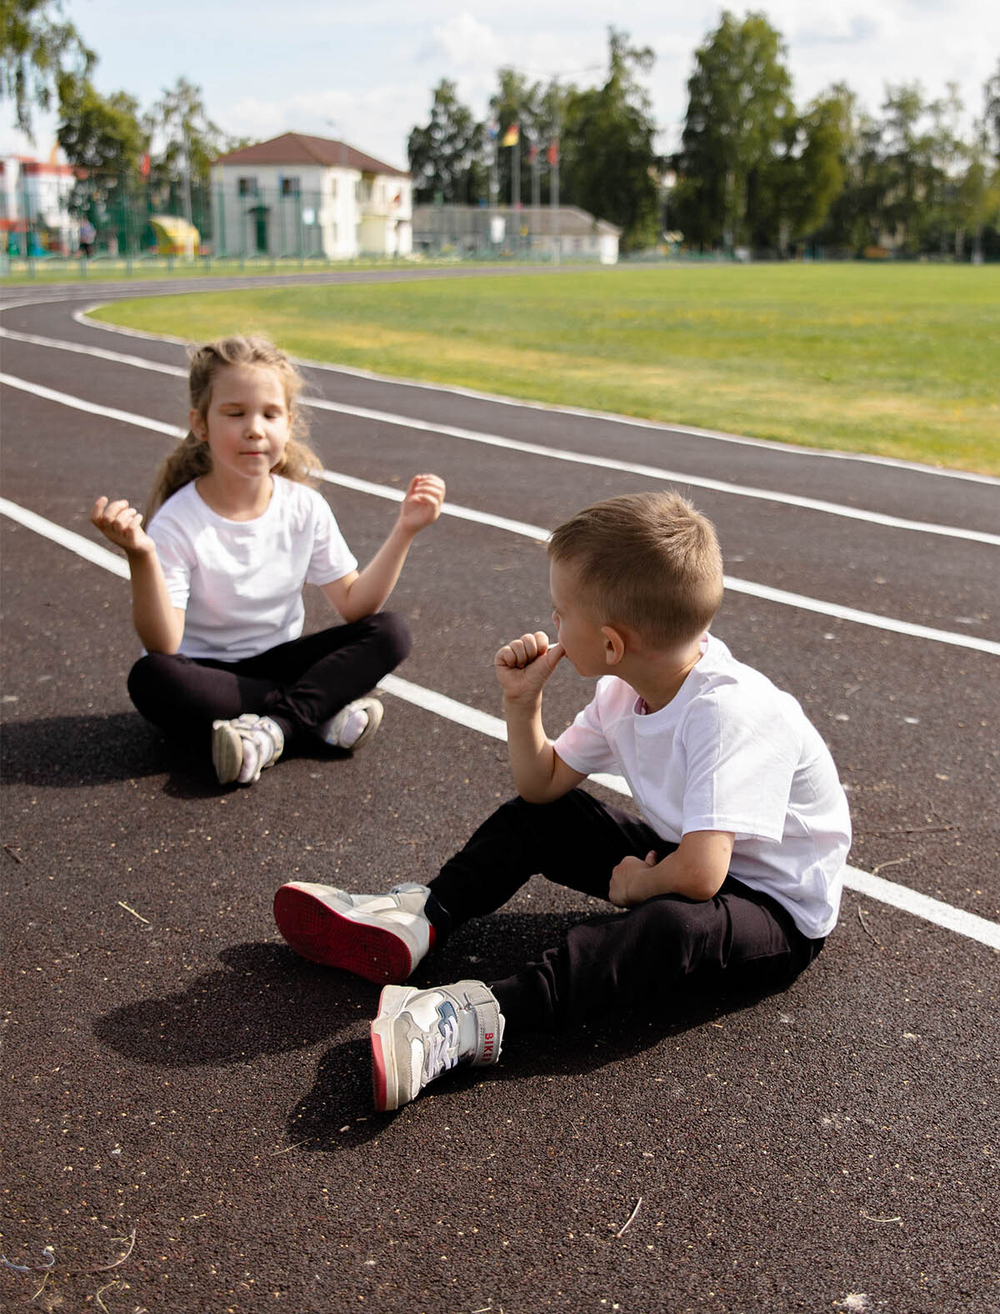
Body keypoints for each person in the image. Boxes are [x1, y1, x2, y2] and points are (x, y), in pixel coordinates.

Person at [273, 492, 851, 1111]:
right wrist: (522, 704)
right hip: (690, 860)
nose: (551, 623)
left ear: (609, 644)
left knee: (667, 926)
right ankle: (423, 916)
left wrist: (635, 887)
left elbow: (703, 876)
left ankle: (474, 1016)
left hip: (775, 909)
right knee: (544, 821)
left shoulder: (727, 712)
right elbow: (541, 786)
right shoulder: (620, 690)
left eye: (560, 611)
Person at [91, 333, 445, 785]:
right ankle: (315, 712)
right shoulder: (179, 521)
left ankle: (273, 730)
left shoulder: (304, 507)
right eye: (235, 413)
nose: (254, 428)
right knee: (152, 678)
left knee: (391, 633)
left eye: (270, 414)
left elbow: (357, 607)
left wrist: (406, 530)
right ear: (200, 424)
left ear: (288, 423)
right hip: (203, 675)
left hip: (280, 660)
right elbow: (164, 642)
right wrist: (141, 555)